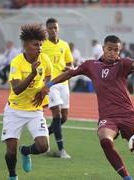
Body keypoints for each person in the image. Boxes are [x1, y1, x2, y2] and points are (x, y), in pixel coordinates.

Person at [36, 35, 134, 180]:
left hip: (128, 115)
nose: (112, 52)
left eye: (116, 50)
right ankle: (126, 177)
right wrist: (49, 85)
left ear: (119, 51)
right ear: (103, 48)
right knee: (105, 140)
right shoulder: (91, 65)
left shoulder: (122, 64)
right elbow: (69, 73)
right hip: (108, 117)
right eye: (109, 49)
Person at [1, 24, 52, 180]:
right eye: (35, 44)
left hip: (34, 110)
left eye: (41, 44)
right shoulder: (17, 62)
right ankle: (12, 176)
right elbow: (16, 89)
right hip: (14, 110)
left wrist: (46, 87)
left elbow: (49, 76)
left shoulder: (45, 59)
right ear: (25, 45)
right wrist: (32, 74)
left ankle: (26, 151)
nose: (39, 48)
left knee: (44, 146)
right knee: (10, 151)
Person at [41, 18, 74, 158]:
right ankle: (61, 150)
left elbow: (70, 63)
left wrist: (70, 68)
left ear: (58, 28)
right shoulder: (42, 46)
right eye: (50, 28)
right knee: (57, 114)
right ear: (46, 30)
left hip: (64, 84)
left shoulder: (65, 45)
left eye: (55, 27)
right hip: (51, 84)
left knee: (64, 118)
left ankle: (43, 135)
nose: (53, 30)